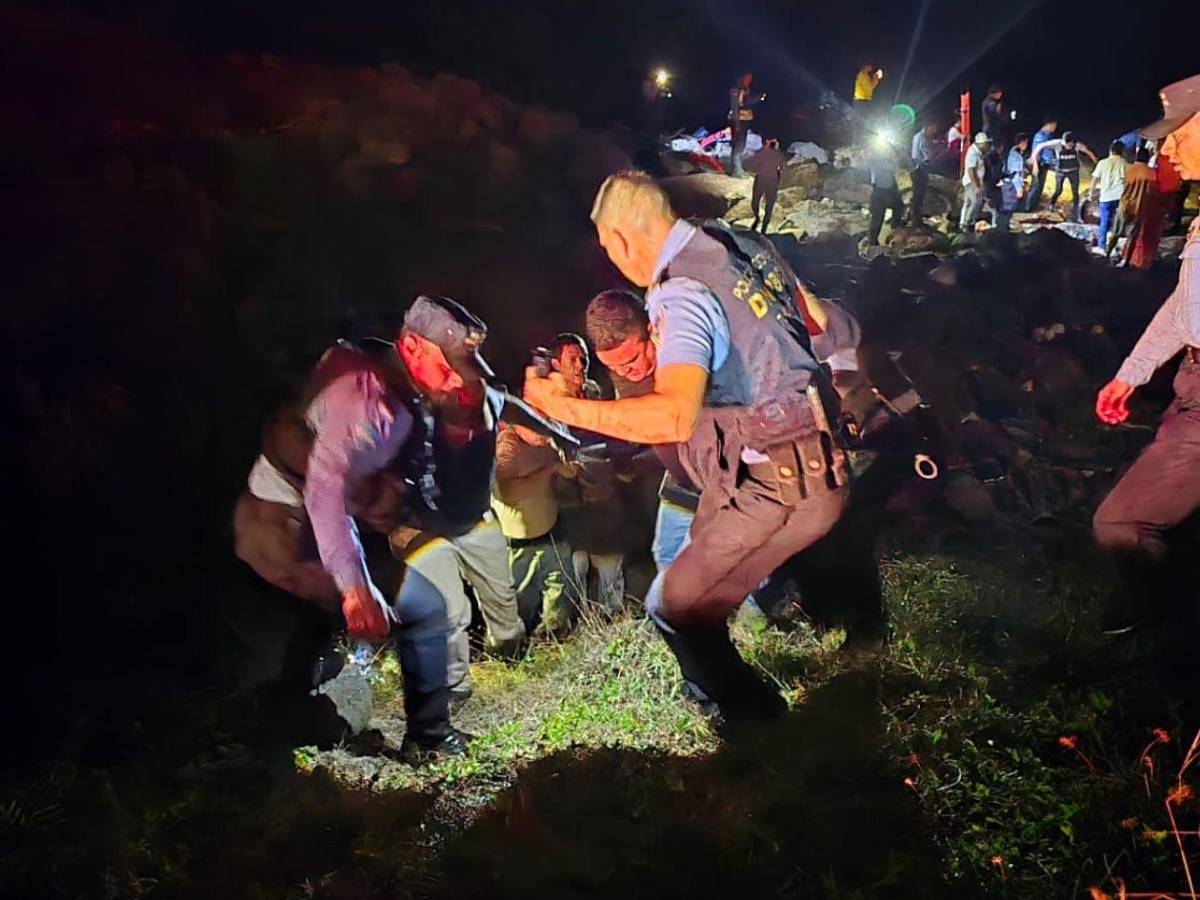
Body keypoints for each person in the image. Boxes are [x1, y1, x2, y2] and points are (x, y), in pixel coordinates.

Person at [526, 171, 853, 724]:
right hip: (820, 462)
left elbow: (673, 416)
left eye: (608, 250)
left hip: (774, 483)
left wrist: (557, 406)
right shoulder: (741, 244)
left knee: (672, 604)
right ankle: (743, 698)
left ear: (620, 239)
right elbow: (824, 324)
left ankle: (756, 726)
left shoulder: (680, 293)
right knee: (706, 582)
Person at [233, 296, 515, 763]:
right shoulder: (368, 404)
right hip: (282, 534)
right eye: (449, 366)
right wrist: (354, 587)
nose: (457, 380)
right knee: (288, 658)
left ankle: (425, 736)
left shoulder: (406, 386)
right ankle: (267, 758)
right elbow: (325, 487)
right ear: (413, 348)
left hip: (325, 530)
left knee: (416, 608)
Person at [1093, 216, 1200, 634]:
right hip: (1191, 378)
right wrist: (1131, 374)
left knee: (1120, 524)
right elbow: (1184, 304)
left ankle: (1162, 621)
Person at [491, 417, 577, 636]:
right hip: (518, 548)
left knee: (559, 605)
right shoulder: (504, 446)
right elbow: (506, 490)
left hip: (554, 536)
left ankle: (554, 645)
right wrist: (549, 470)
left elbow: (569, 472)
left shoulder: (548, 442)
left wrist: (568, 466)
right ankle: (515, 650)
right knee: (520, 606)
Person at [1107, 147, 1158, 265]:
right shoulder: (1151, 173)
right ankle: (1126, 261)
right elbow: (1152, 192)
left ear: (1136, 157)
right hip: (1139, 208)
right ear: (1148, 158)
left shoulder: (1129, 169)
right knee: (1132, 237)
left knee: (1115, 233)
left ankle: (1107, 254)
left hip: (1124, 205)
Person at [1030, 130, 1096, 222]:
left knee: (1075, 193)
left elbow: (1089, 152)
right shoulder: (1057, 144)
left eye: (1071, 145)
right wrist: (1034, 162)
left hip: (1073, 171)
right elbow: (1040, 146)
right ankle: (1051, 204)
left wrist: (1096, 163)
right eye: (1067, 145)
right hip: (1060, 172)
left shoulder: (1077, 145)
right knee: (1058, 190)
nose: (1069, 147)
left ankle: (1075, 215)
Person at [1090, 140, 1129, 252]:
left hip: (1105, 197)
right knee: (1118, 223)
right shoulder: (1125, 164)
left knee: (1104, 222)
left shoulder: (1102, 163)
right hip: (1120, 197)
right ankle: (1115, 246)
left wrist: (1091, 193)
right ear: (1123, 152)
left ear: (1111, 150)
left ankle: (1102, 246)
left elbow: (1094, 179)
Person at [866, 139, 903, 246]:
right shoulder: (876, 161)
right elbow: (893, 168)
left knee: (899, 207)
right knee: (877, 217)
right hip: (880, 191)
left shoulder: (886, 160)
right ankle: (872, 241)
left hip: (890, 190)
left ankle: (894, 231)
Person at [728, 72, 763, 178]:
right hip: (738, 120)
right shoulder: (735, 90)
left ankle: (737, 168)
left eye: (750, 78)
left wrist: (758, 98)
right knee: (738, 144)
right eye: (748, 78)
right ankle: (736, 170)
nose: (749, 80)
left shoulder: (745, 90)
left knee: (741, 145)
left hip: (744, 120)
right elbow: (735, 107)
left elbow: (747, 102)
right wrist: (737, 124)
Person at [746, 138, 784, 233]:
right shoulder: (762, 153)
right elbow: (752, 166)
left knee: (768, 205)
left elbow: (781, 169)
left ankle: (763, 227)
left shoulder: (777, 154)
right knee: (756, 203)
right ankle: (758, 219)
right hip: (762, 179)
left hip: (770, 181)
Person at [993, 132, 1028, 232]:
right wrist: (1019, 190)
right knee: (1008, 211)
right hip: (1011, 186)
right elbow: (1015, 175)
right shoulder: (1016, 156)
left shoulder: (1011, 153)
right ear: (1023, 142)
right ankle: (1002, 231)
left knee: (1006, 211)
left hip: (1007, 185)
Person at [1025, 118, 1059, 211]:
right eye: (1054, 126)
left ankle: (1034, 207)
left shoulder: (1048, 136)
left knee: (1040, 187)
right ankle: (1028, 208)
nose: (1055, 128)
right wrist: (1035, 166)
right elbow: (1035, 152)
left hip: (1045, 164)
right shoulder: (1040, 136)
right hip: (1039, 164)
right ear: (1048, 124)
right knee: (1035, 187)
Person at [909, 123, 940, 225]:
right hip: (919, 169)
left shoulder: (924, 137)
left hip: (922, 168)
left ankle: (917, 217)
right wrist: (925, 161)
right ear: (928, 127)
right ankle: (915, 219)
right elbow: (915, 155)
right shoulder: (919, 137)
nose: (934, 132)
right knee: (918, 194)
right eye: (933, 129)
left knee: (920, 194)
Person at [960, 133, 990, 231]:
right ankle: (967, 223)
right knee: (976, 202)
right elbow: (971, 170)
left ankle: (963, 223)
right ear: (981, 143)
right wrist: (976, 185)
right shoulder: (973, 153)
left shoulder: (978, 152)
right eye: (986, 143)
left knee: (968, 203)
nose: (987, 146)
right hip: (971, 182)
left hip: (974, 182)